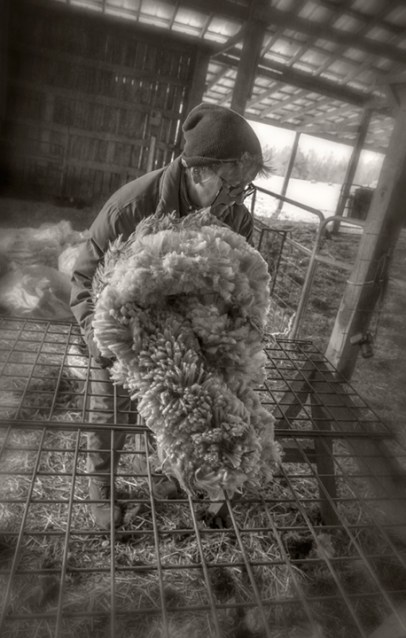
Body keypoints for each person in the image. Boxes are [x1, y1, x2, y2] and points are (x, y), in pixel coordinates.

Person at [70, 102, 270, 528]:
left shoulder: (235, 218)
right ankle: (100, 484)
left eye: (245, 189)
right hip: (122, 320)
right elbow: (85, 277)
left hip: (186, 324)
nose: (237, 199)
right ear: (198, 172)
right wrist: (99, 337)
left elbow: (235, 279)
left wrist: (228, 330)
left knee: (185, 400)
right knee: (110, 404)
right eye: (231, 186)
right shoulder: (131, 207)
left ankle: (170, 473)